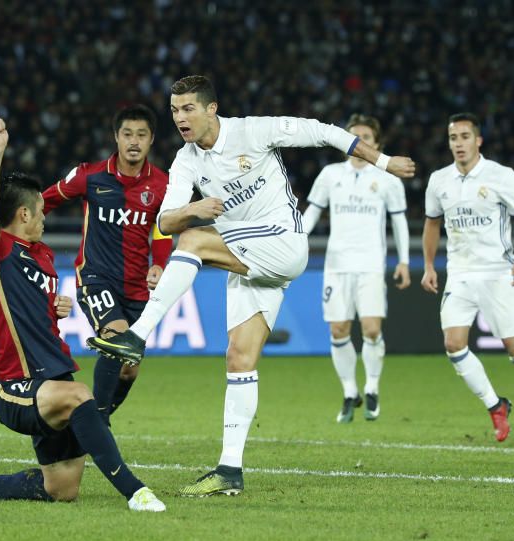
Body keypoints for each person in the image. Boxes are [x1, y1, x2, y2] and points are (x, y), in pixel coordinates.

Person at [89, 75, 416, 496]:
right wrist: (195, 207)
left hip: (282, 240)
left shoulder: (252, 131)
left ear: (211, 109)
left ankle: (137, 335)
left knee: (193, 241)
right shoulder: (186, 160)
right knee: (239, 359)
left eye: (188, 109)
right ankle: (230, 470)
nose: (180, 119)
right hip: (247, 260)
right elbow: (164, 221)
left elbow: (323, 131)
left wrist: (384, 162)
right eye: (174, 111)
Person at [0, 118, 165, 512]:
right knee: (83, 396)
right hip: (16, 387)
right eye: (40, 211)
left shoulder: (42, 258)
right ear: (23, 214)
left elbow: (29, 318)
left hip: (52, 379)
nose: (46, 216)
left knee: (61, 488)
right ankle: (135, 491)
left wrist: (54, 309)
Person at [421, 113, 514, 449]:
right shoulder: (439, 180)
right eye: (452, 138)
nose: (458, 143)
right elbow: (432, 224)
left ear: (478, 141)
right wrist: (430, 265)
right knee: (453, 344)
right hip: (459, 274)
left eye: (464, 136)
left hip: (496, 274)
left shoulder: (501, 176)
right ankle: (495, 405)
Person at [41, 104, 171, 424]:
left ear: (151, 139)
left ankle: (86, 424)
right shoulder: (90, 175)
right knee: (117, 342)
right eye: (127, 134)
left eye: (141, 134)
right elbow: (45, 201)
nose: (134, 141)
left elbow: (163, 231)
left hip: (138, 287)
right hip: (96, 277)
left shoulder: (163, 184)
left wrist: (160, 264)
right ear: (116, 137)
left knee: (129, 369)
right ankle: (96, 423)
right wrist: (18, 232)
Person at [303, 114, 411, 423]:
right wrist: (297, 241)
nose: (360, 141)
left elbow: (399, 221)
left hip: (371, 265)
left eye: (366, 136)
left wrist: (403, 260)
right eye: (354, 136)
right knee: (338, 330)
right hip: (337, 265)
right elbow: (312, 212)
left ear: (377, 143)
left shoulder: (388, 178)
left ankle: (373, 387)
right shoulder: (330, 174)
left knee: (372, 329)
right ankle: (350, 392)